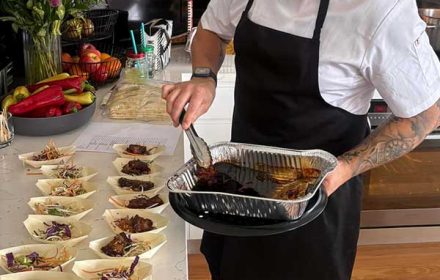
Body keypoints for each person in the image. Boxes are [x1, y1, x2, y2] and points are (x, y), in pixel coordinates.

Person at [162, 0, 440, 279]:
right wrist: (203, 77)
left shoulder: (382, 9)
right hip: (238, 186)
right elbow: (211, 30)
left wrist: (345, 168)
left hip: (317, 201)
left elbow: (424, 115)